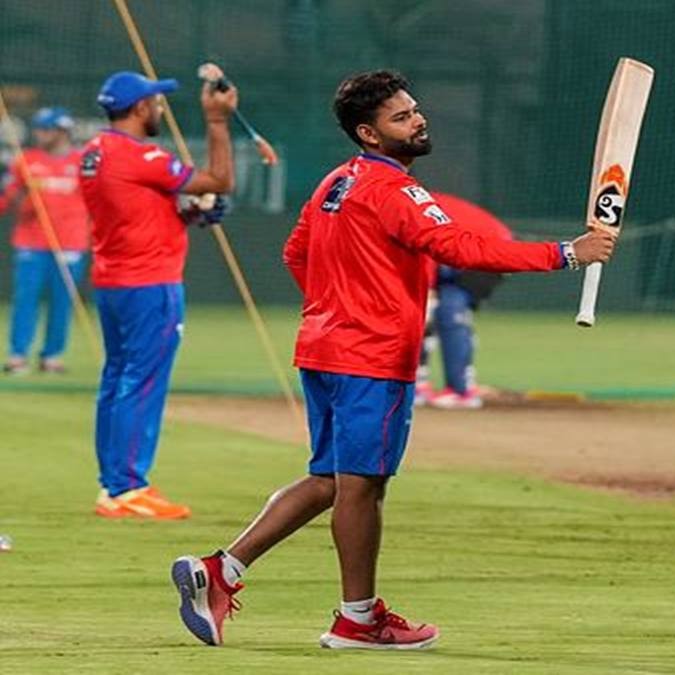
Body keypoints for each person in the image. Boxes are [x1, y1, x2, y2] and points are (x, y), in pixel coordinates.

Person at [170, 70, 615, 650]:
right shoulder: (395, 190)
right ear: (369, 133)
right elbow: (459, 247)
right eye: (401, 117)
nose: (418, 120)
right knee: (362, 486)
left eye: (414, 109)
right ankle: (358, 619)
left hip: (326, 350)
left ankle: (221, 570)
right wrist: (567, 253)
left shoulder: (336, 182)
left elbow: (296, 252)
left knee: (329, 480)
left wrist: (335, 308)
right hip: (370, 358)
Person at [80, 71, 239, 519]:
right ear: (139, 108)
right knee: (142, 382)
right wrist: (217, 121)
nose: (159, 108)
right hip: (150, 281)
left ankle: (113, 485)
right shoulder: (140, 154)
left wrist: (185, 214)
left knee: (117, 380)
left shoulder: (93, 152)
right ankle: (128, 487)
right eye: (155, 102)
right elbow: (220, 180)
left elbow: (133, 211)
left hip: (114, 280)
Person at [0, 107, 89, 375]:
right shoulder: (26, 160)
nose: (40, 134)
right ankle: (18, 354)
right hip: (31, 242)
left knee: (62, 303)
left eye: (47, 129)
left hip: (70, 243)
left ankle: (52, 356)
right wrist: (20, 193)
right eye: (38, 129)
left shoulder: (82, 162)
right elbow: (8, 199)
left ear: (63, 131)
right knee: (25, 300)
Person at [415, 192, 513, 410]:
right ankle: (418, 385)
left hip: (489, 252)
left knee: (448, 311)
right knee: (425, 312)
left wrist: (428, 293)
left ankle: (461, 391)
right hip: (457, 257)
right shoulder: (408, 201)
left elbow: (425, 251)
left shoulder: (408, 208)